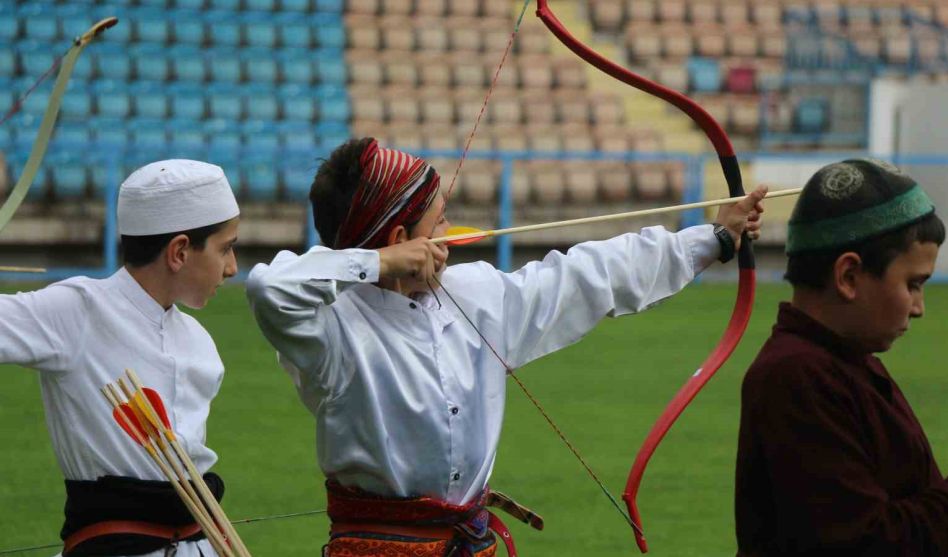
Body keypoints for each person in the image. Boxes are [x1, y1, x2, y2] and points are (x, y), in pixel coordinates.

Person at [246, 137, 766, 556]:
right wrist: (379, 263)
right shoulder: (331, 330)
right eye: (439, 220)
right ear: (404, 238)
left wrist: (713, 239)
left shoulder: (476, 295)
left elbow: (588, 276)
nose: (449, 230)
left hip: (469, 545)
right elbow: (270, 288)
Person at [735, 159, 948, 556]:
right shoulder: (798, 376)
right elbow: (866, 544)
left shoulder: (845, 360)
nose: (919, 307)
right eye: (913, 284)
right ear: (849, 276)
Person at [0, 160, 240, 557]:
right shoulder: (77, 310)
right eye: (226, 248)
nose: (232, 267)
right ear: (179, 251)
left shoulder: (200, 342)